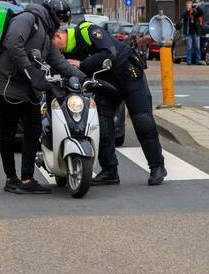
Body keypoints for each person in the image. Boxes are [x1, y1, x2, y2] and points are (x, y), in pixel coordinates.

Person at [0, 0, 85, 194]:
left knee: (33, 130)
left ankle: (26, 178)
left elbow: (59, 63)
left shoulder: (45, 34)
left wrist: (85, 78)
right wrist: (29, 71)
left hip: (26, 88)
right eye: (60, 20)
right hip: (7, 84)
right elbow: (13, 43)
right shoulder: (28, 19)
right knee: (8, 131)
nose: (60, 25)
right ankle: (11, 179)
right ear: (54, 15)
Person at [53, 21, 168, 186]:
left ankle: (157, 166)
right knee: (100, 124)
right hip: (106, 84)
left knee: (142, 120)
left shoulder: (86, 30)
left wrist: (82, 65)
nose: (55, 50)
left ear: (58, 35)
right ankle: (109, 171)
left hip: (127, 73)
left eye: (53, 45)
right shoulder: (66, 53)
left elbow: (109, 54)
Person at [178, 0, 203, 65]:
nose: (189, 6)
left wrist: (198, 7)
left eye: (190, 4)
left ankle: (198, 61)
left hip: (196, 32)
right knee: (189, 47)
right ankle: (189, 61)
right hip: (189, 33)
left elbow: (201, 13)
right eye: (188, 5)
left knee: (197, 47)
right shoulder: (186, 12)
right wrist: (187, 9)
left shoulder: (195, 11)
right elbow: (182, 15)